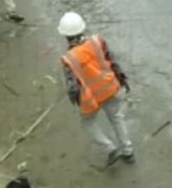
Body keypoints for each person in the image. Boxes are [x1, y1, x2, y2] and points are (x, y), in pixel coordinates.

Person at [58, 11, 135, 164]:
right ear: (82, 29)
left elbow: (73, 86)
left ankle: (109, 147)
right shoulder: (97, 41)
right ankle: (128, 151)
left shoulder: (69, 58)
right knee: (117, 118)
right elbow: (111, 60)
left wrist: (74, 100)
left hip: (91, 97)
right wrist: (122, 79)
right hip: (110, 87)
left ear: (65, 35)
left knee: (87, 122)